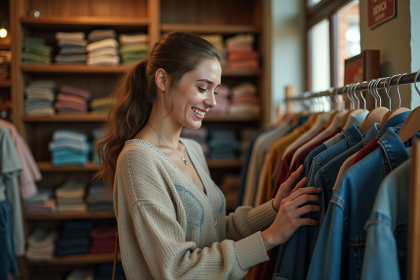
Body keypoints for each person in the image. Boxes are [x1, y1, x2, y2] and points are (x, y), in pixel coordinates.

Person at [95, 31, 321, 280]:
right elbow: (176, 270)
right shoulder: (138, 161)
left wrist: (274, 209)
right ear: (162, 80)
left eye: (215, 91)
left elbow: (215, 230)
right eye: (203, 88)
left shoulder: (191, 149)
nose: (213, 102)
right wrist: (269, 237)